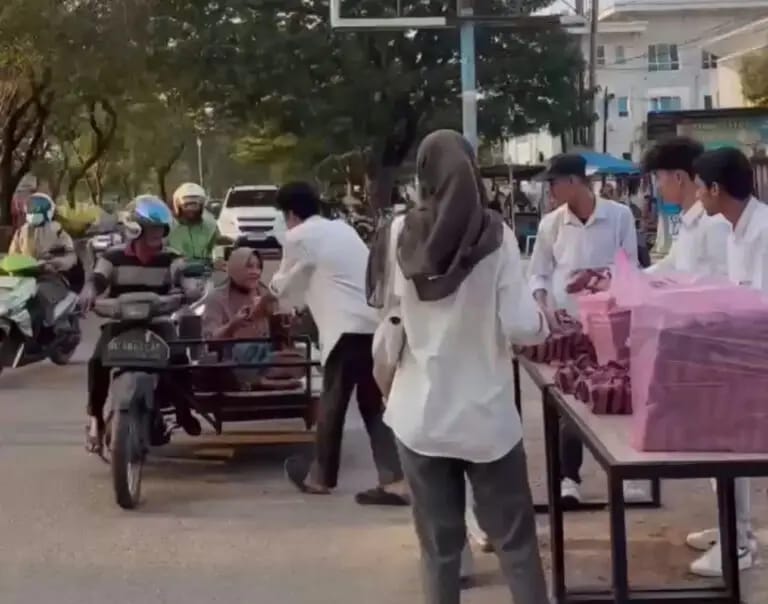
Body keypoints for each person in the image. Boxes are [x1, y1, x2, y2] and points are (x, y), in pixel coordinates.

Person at [372, 130, 549, 604]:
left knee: (439, 550)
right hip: (485, 419)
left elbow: (389, 321)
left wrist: (385, 378)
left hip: (419, 416)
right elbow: (521, 325)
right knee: (515, 543)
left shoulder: (397, 234)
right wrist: (544, 319)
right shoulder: (498, 234)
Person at [268, 181, 408, 505]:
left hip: (344, 332)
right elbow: (325, 278)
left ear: (290, 213)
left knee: (332, 404)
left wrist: (266, 302)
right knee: (372, 405)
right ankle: (395, 479)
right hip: (373, 326)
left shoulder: (297, 237)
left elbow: (283, 285)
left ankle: (320, 478)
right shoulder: (342, 230)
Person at [529, 153, 639, 506]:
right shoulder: (551, 225)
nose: (550, 191)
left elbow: (630, 267)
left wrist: (602, 284)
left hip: (611, 323)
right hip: (569, 326)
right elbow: (538, 272)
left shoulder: (618, 216)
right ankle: (568, 478)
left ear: (575, 182)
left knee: (617, 395)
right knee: (568, 400)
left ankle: (629, 475)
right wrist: (544, 303)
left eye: (554, 183)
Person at [689, 146, 761, 577]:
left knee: (729, 447)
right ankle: (735, 530)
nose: (698, 197)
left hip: (753, 360)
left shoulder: (764, 232)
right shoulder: (735, 230)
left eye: (701, 188)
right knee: (721, 446)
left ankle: (739, 543)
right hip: (737, 356)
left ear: (716, 189)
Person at [79, 195, 189, 454]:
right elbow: (97, 278)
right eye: (152, 228)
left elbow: (184, 278)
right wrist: (88, 291)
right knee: (97, 362)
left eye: (161, 229)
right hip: (122, 322)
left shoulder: (171, 257)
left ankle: (182, 412)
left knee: (180, 360)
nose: (157, 235)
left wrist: (189, 289)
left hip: (158, 323)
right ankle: (94, 417)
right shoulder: (112, 257)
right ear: (135, 228)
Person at [202, 247, 303, 386]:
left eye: (258, 267)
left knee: (299, 358)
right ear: (235, 268)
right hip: (233, 359)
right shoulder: (217, 297)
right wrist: (233, 325)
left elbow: (280, 338)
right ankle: (259, 380)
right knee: (242, 351)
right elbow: (210, 341)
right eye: (249, 267)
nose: (255, 272)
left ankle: (263, 378)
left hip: (266, 355)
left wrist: (287, 322)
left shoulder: (264, 293)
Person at [643, 137, 730, 278]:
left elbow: (728, 283)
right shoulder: (688, 219)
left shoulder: (715, 223)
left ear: (678, 178)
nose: (657, 186)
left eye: (658, 177)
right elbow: (670, 264)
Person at [168, 183, 219, 262]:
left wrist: (219, 259)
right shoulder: (169, 228)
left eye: (195, 205)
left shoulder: (210, 226)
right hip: (174, 271)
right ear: (177, 206)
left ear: (202, 206)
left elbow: (218, 247)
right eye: (187, 205)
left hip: (206, 271)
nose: (191, 210)